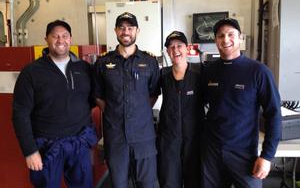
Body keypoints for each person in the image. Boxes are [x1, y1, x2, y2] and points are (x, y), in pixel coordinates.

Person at [12, 20, 97, 188]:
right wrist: (30, 151)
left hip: (79, 143)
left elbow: (91, 100)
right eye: (55, 36)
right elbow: (20, 114)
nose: (60, 40)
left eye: (65, 36)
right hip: (46, 147)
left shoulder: (84, 68)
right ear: (46, 39)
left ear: (71, 39)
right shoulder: (32, 72)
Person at [201, 18, 282, 188]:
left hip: (244, 154)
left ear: (240, 38)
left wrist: (267, 156)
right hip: (212, 154)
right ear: (216, 40)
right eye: (221, 36)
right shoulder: (209, 71)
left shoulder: (258, 72)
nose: (226, 39)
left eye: (231, 34)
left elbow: (274, 114)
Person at [93, 12, 161, 188]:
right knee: (118, 183)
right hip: (116, 138)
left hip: (143, 137)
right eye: (121, 28)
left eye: (130, 28)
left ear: (137, 30)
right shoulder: (102, 63)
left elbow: (153, 93)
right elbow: (98, 95)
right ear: (116, 31)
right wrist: (113, 112)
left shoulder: (150, 62)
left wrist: (139, 112)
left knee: (147, 183)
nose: (126, 31)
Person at [157, 31, 204, 188]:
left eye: (179, 46)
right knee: (169, 183)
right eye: (171, 47)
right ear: (167, 51)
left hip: (195, 141)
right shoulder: (162, 75)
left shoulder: (200, 73)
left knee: (195, 183)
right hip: (169, 141)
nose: (175, 50)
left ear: (187, 48)